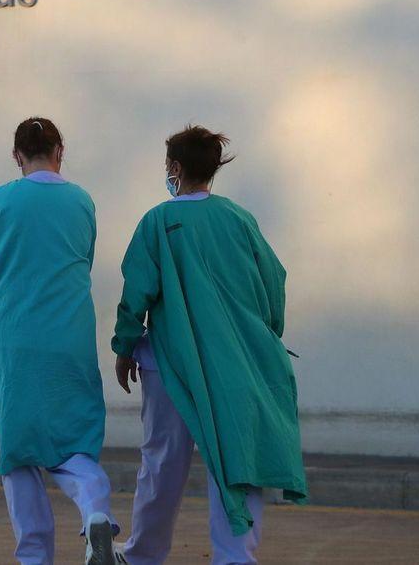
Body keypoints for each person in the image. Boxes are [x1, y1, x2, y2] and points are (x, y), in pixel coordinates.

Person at [112, 126, 308, 565]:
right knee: (240, 458)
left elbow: (136, 293)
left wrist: (124, 347)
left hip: (172, 365)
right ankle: (235, 556)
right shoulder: (240, 220)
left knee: (163, 462)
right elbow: (274, 282)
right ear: (214, 169)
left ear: (175, 168)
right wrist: (264, 332)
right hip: (239, 361)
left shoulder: (158, 222)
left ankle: (144, 555)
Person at [0, 118, 121, 565]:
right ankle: (95, 515)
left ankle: (34, 556)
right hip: (67, 336)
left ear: (17, 156)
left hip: (9, 338)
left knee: (19, 451)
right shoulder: (80, 201)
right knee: (74, 441)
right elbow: (83, 257)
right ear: (59, 151)